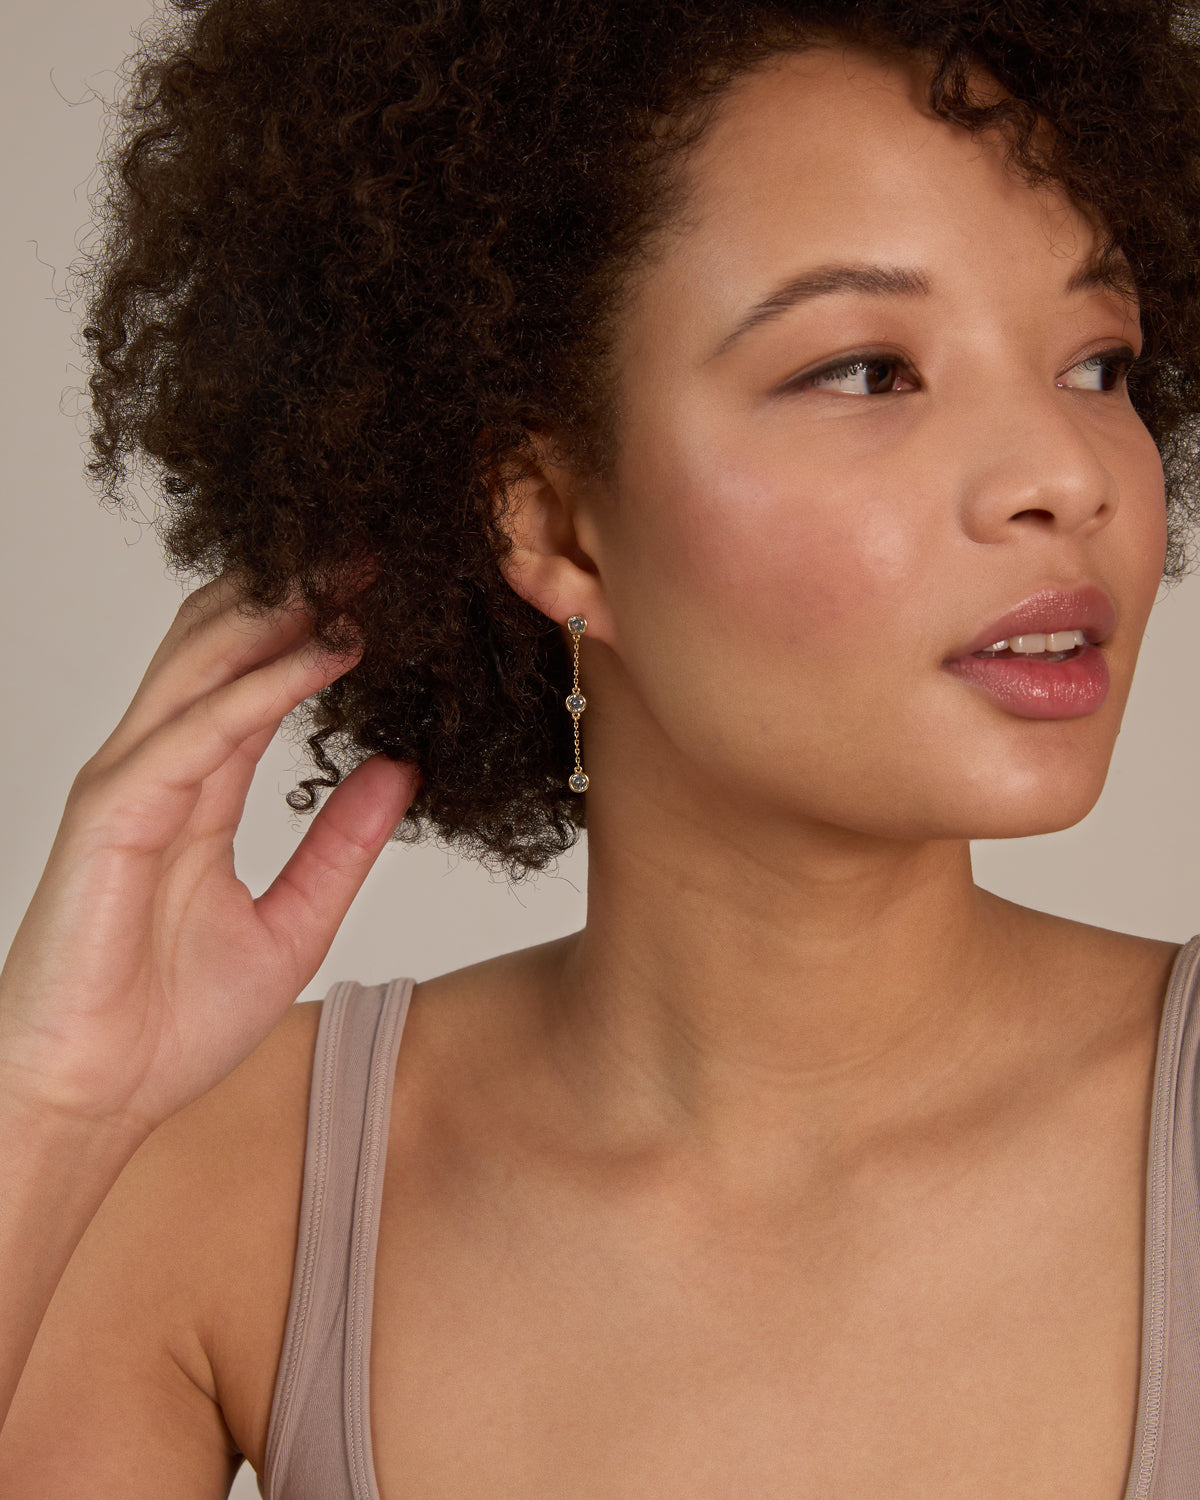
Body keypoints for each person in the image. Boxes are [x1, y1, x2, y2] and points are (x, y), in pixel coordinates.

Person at [2, 0, 1200, 1493]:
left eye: (1098, 365)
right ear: (559, 526)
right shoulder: (226, 1190)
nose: (1067, 477)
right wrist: (47, 1107)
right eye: (867, 370)